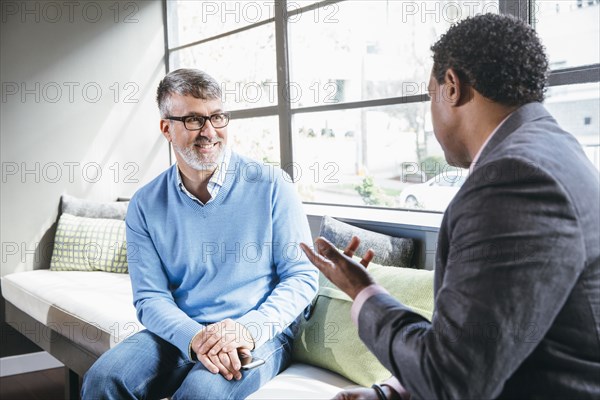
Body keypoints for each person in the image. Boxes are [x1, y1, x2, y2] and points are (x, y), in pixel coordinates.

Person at [301, 13, 600, 400]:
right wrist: (392, 393)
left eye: (430, 94)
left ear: (452, 86)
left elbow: (453, 380)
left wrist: (361, 291)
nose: (431, 113)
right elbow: (493, 339)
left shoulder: (513, 178)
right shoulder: (552, 149)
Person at [82, 69, 318, 399]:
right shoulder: (145, 204)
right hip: (182, 331)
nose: (209, 132)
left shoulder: (272, 186)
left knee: (201, 393)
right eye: (193, 120)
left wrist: (247, 329)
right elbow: (150, 298)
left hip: (258, 332)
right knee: (103, 379)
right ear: (167, 128)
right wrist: (196, 338)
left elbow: (302, 276)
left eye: (217, 117)